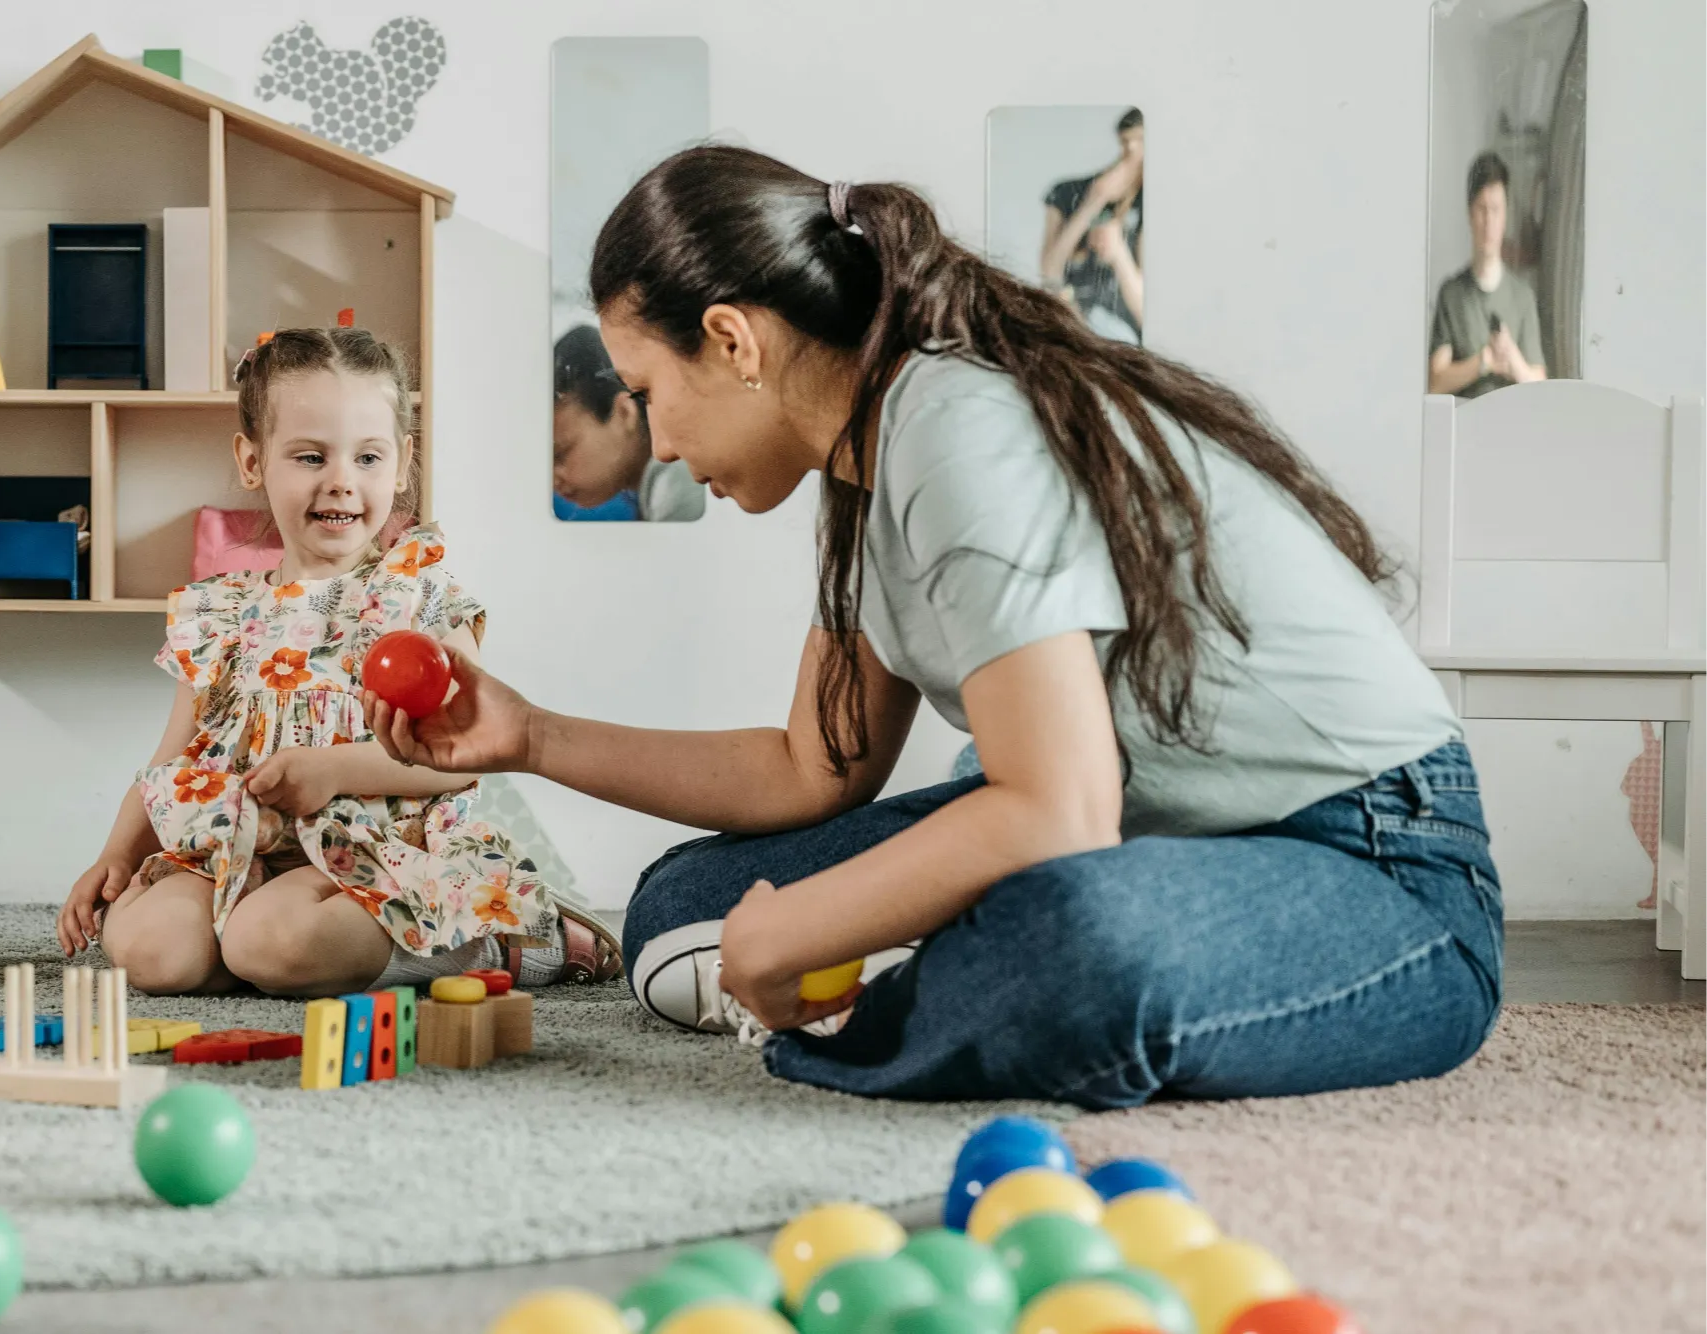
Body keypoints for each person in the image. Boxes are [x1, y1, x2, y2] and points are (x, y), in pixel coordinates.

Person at [370, 146, 1500, 1109]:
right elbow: (807, 769)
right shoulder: (864, 463)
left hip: (1374, 860)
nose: (656, 444)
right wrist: (529, 736)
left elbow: (1056, 809)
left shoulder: (955, 428)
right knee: (681, 902)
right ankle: (919, 960)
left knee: (1071, 940)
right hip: (1152, 829)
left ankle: (916, 971)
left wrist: (795, 929)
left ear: (732, 339)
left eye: (648, 390)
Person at [56, 327, 620, 995]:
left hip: (376, 853)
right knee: (153, 953)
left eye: (368, 457)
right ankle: (260, 947)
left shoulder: (421, 597)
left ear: (403, 462)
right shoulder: (219, 613)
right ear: (251, 460)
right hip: (238, 851)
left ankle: (495, 940)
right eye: (310, 456)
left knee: (272, 941)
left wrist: (333, 769)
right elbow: (171, 766)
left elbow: (466, 756)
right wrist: (115, 856)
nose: (342, 482)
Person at [553, 324, 705, 522]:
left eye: (560, 455)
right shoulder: (661, 488)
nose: (553, 480)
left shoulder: (680, 487)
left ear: (624, 412)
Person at [1429, 151, 1546, 397]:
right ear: (1470, 214)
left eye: (1496, 209)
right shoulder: (1451, 294)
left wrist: (1512, 358)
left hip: (1513, 428)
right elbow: (1436, 382)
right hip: (1463, 429)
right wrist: (1484, 361)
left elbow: (1540, 386)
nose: (1489, 221)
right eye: (1482, 209)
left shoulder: (1523, 297)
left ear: (1505, 215)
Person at [1039, 108, 1145, 343]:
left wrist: (1118, 253)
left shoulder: (1153, 202)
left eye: (1142, 141)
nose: (1134, 150)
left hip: (1127, 341)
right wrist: (1093, 203)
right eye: (1128, 141)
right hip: (1073, 327)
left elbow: (1145, 313)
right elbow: (1049, 272)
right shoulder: (1067, 192)